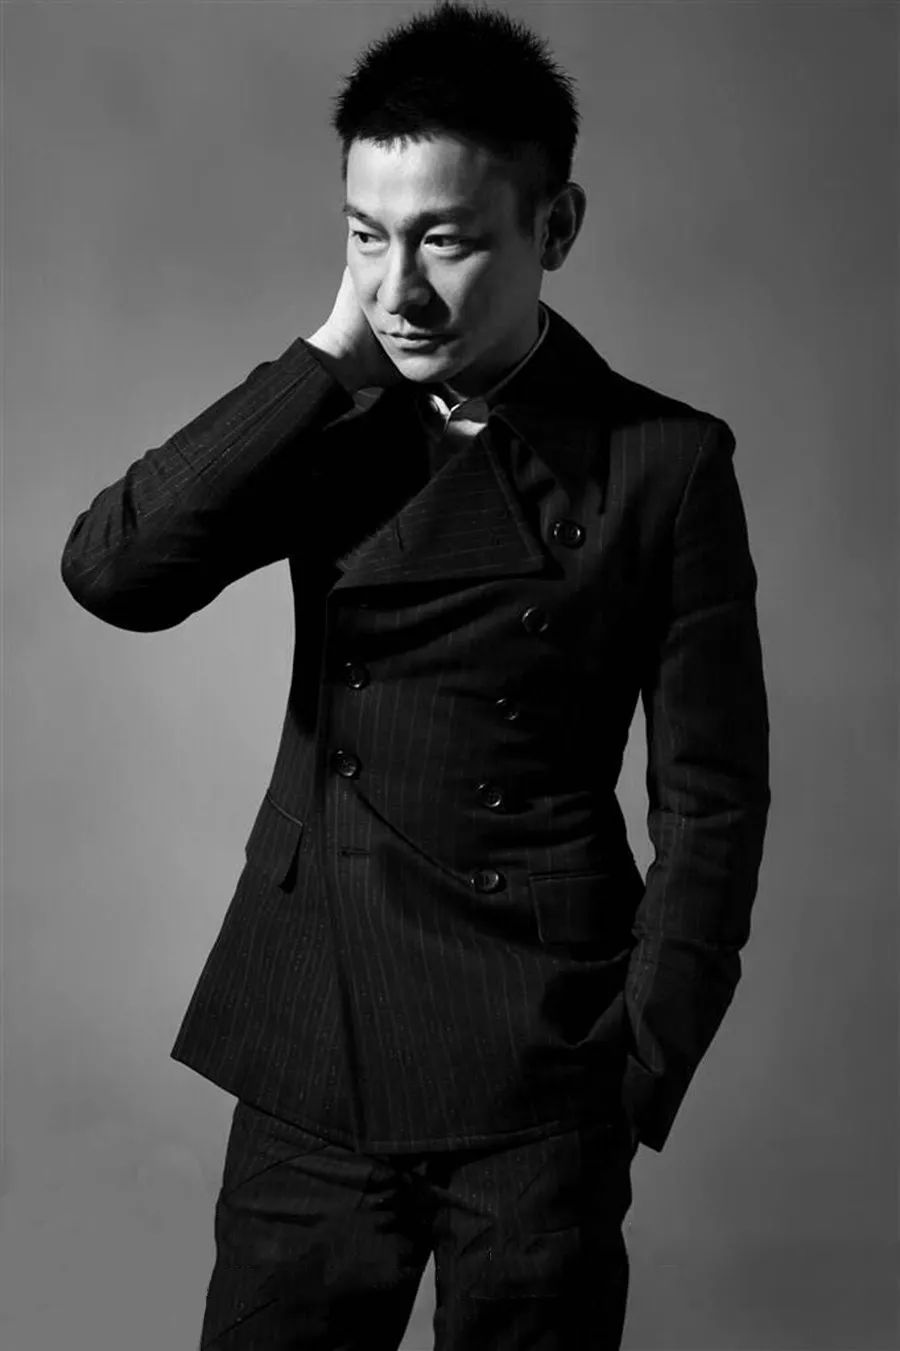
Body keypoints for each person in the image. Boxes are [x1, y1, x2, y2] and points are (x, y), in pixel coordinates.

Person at [60, 3, 770, 1348]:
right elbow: (112, 572)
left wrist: (640, 1056)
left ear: (556, 228)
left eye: (445, 238)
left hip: (542, 1061)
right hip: (313, 1030)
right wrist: (321, 360)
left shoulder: (666, 463)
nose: (402, 289)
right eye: (366, 235)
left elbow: (713, 799)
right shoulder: (330, 423)